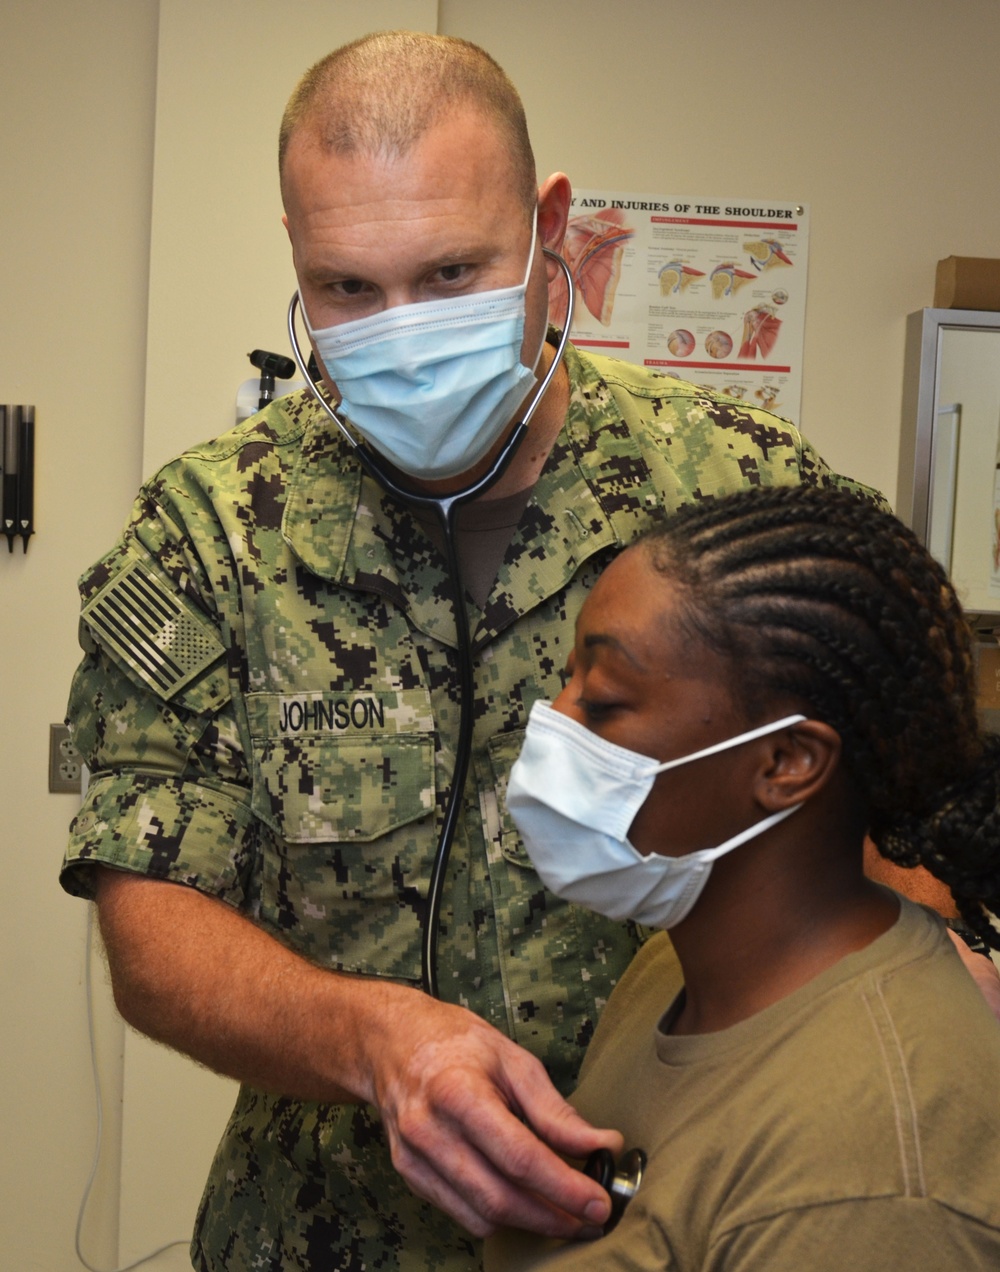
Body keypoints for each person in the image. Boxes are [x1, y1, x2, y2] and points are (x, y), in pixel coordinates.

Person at [56, 29, 990, 1272]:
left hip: (674, 1198)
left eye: (451, 272)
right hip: (324, 1230)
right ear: (294, 253)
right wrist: (370, 1041)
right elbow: (152, 912)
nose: (401, 331)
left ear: (553, 226)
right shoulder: (208, 533)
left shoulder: (729, 486)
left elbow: (874, 809)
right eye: (346, 288)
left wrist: (933, 986)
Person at [487, 484, 1000, 1271]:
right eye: (567, 683)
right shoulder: (682, 962)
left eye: (605, 700)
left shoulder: (874, 1173)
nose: (553, 723)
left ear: (786, 763)